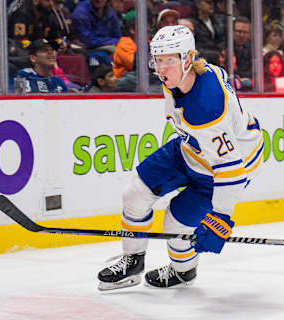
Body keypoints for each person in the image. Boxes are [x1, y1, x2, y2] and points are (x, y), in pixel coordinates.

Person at [97, 25, 264, 290]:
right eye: (158, 60)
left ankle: (182, 271)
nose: (162, 69)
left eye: (169, 61)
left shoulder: (206, 110)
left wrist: (220, 218)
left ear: (187, 59)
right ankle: (133, 261)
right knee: (135, 194)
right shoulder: (183, 75)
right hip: (191, 148)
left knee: (175, 224)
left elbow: (230, 170)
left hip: (224, 168)